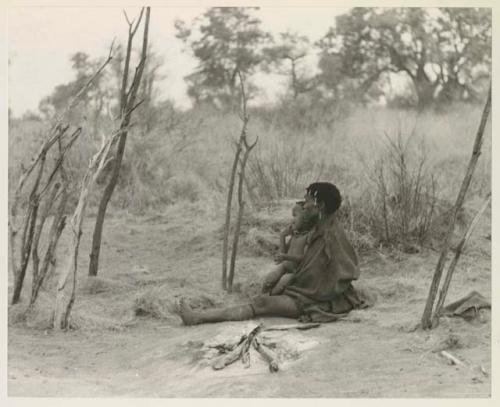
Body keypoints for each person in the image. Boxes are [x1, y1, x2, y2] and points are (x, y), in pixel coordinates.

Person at [179, 182, 368, 325]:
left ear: (320, 207)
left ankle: (197, 318)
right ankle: (205, 313)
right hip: (308, 293)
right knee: (263, 295)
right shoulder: (322, 227)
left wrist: (295, 284)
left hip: (314, 300)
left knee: (261, 304)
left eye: (308, 201)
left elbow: (336, 275)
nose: (304, 205)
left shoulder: (329, 237)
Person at [261, 201, 317, 295]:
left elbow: (305, 258)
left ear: (306, 218)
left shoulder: (308, 236)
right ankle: (262, 295)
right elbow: (283, 253)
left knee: (282, 282)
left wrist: (286, 257)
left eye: (295, 216)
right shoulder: (295, 235)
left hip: (297, 272)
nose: (292, 220)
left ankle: (269, 297)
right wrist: (282, 236)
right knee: (269, 279)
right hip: (286, 266)